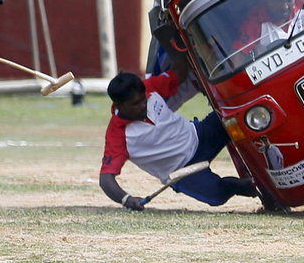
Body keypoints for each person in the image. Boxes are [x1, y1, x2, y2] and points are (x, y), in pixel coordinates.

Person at [99, 59, 258, 211]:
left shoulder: (149, 87)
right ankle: (242, 186)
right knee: (217, 197)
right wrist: (126, 199)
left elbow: (178, 74)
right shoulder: (117, 136)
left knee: (235, 113)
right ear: (119, 105)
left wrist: (174, 42)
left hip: (198, 135)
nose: (142, 106)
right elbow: (106, 179)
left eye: (143, 100)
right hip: (181, 171)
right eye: (135, 104)